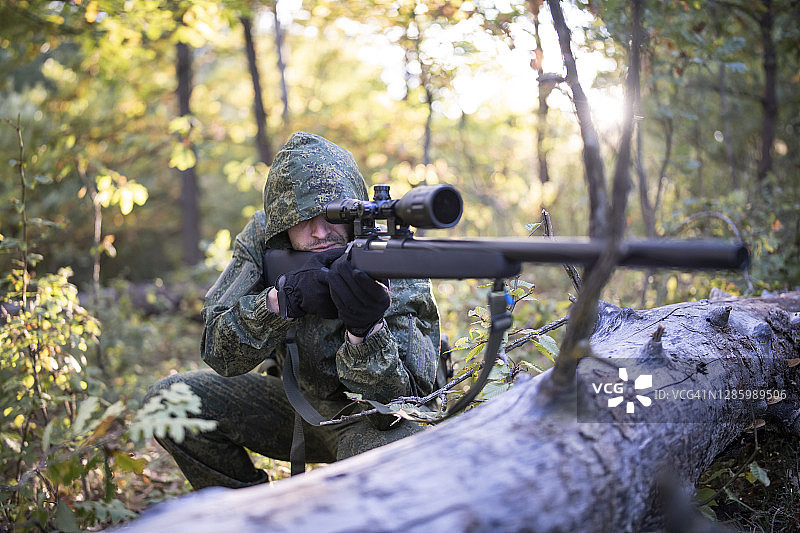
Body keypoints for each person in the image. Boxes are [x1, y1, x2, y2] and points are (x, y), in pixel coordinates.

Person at [146, 131, 441, 489]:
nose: (319, 232)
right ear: (281, 223)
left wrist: (366, 333)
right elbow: (217, 350)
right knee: (168, 401)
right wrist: (279, 302)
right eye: (301, 219)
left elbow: (404, 406)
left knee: (393, 465)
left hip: (368, 423)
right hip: (293, 408)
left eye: (332, 215)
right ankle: (248, 516)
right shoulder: (264, 237)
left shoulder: (387, 250)